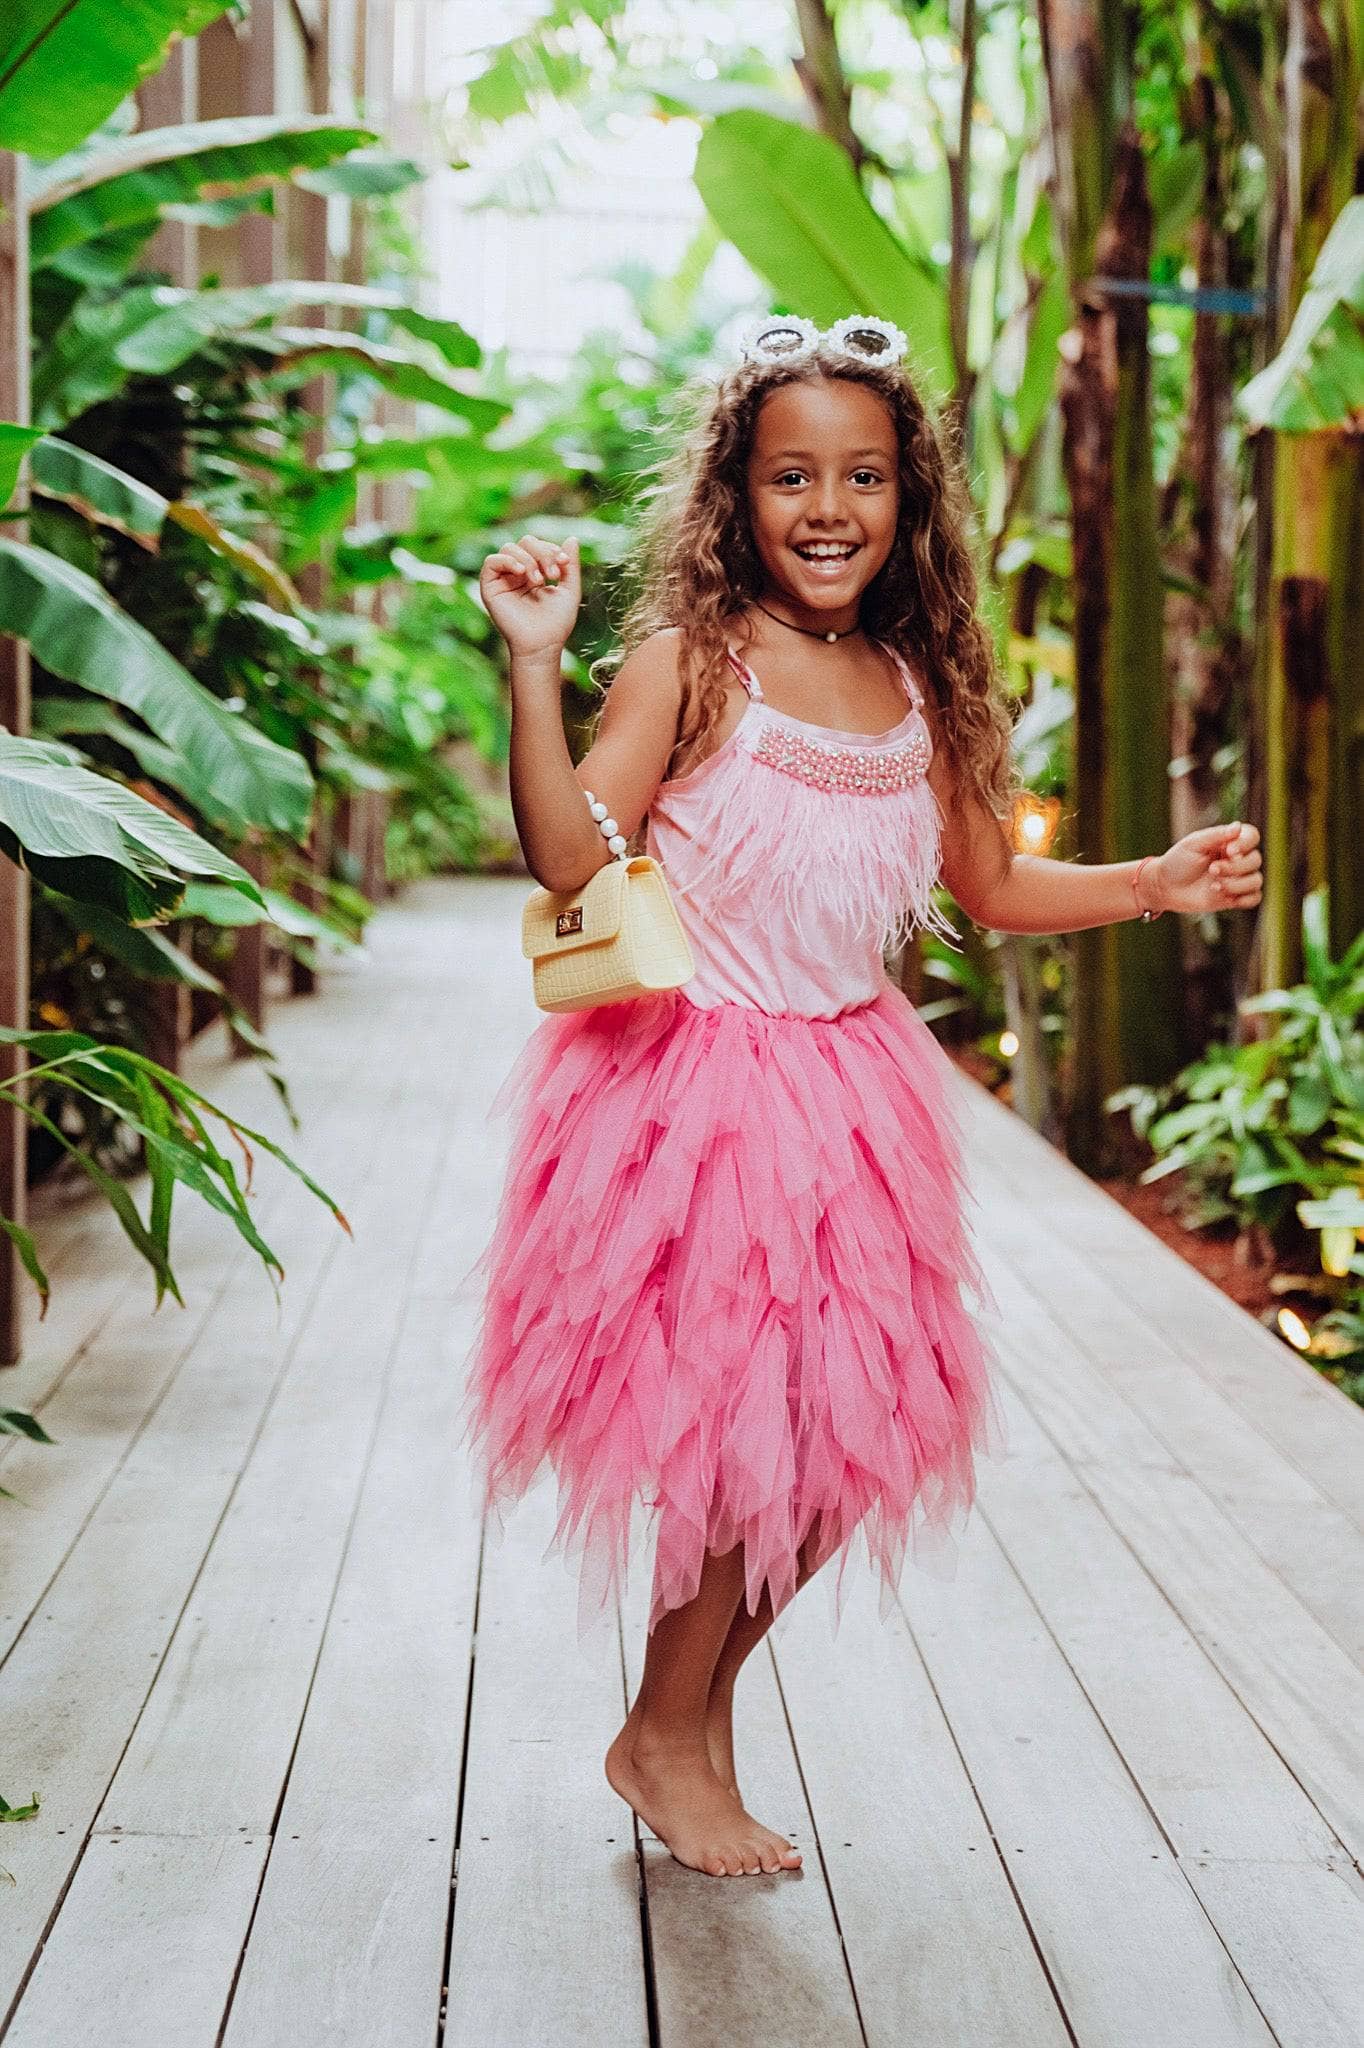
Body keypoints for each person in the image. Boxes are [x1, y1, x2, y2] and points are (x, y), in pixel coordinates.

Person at [460, 314, 1263, 1882]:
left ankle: (672, 1725)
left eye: (865, 477)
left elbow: (990, 881)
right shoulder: (690, 665)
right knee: (738, 1444)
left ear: (909, 501)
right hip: (693, 1099)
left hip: (848, 1094)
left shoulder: (923, 681)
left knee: (849, 1451)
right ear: (736, 498)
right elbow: (569, 857)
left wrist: (1150, 883)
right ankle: (669, 1739)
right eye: (791, 478)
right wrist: (536, 668)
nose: (828, 510)